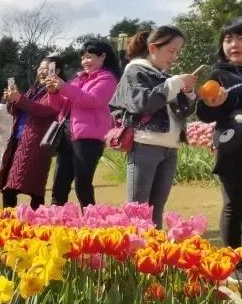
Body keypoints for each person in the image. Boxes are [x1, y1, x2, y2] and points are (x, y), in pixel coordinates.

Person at [109, 26, 196, 229]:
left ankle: (151, 255)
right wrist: (173, 85)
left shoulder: (165, 76)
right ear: (153, 48)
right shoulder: (135, 70)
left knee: (156, 209)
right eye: (171, 51)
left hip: (170, 148)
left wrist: (189, 93)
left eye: (177, 52)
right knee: (138, 209)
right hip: (144, 145)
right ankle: (133, 257)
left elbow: (184, 112)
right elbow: (142, 104)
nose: (174, 57)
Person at [46, 40, 122, 207]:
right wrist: (53, 92)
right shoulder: (78, 79)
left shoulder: (108, 78)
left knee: (82, 185)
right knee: (59, 184)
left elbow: (93, 100)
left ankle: (91, 222)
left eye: (89, 57)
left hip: (88, 139)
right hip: (66, 135)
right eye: (83, 58)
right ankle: (55, 223)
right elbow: (57, 106)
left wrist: (64, 87)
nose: (85, 61)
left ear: (103, 56)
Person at [196, 17, 242, 262]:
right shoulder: (218, 75)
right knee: (234, 204)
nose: (234, 44)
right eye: (228, 39)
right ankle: (234, 262)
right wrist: (215, 104)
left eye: (240, 38)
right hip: (233, 146)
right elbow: (204, 113)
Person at [0, 60, 67, 209]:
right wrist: (11, 101)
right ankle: (12, 223)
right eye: (39, 68)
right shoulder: (34, 90)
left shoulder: (55, 92)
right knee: (14, 187)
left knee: (30, 189)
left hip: (37, 143)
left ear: (56, 71)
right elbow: (15, 111)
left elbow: (41, 109)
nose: (41, 71)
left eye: (45, 68)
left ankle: (30, 224)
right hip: (19, 141)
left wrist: (19, 99)